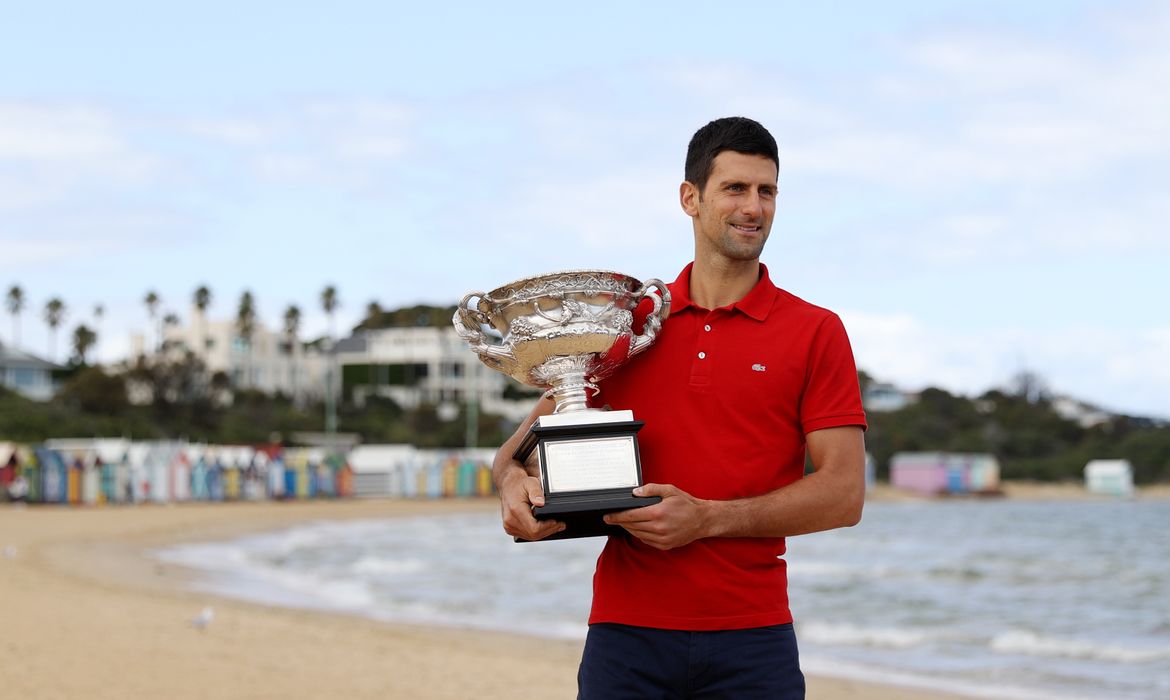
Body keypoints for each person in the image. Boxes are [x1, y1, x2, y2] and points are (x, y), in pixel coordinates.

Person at [492, 116, 868, 699]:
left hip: (754, 636)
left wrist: (709, 519)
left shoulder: (815, 331)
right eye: (735, 188)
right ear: (690, 198)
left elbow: (844, 494)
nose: (754, 207)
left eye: (767, 191)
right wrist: (509, 480)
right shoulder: (630, 326)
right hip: (626, 635)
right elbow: (523, 444)